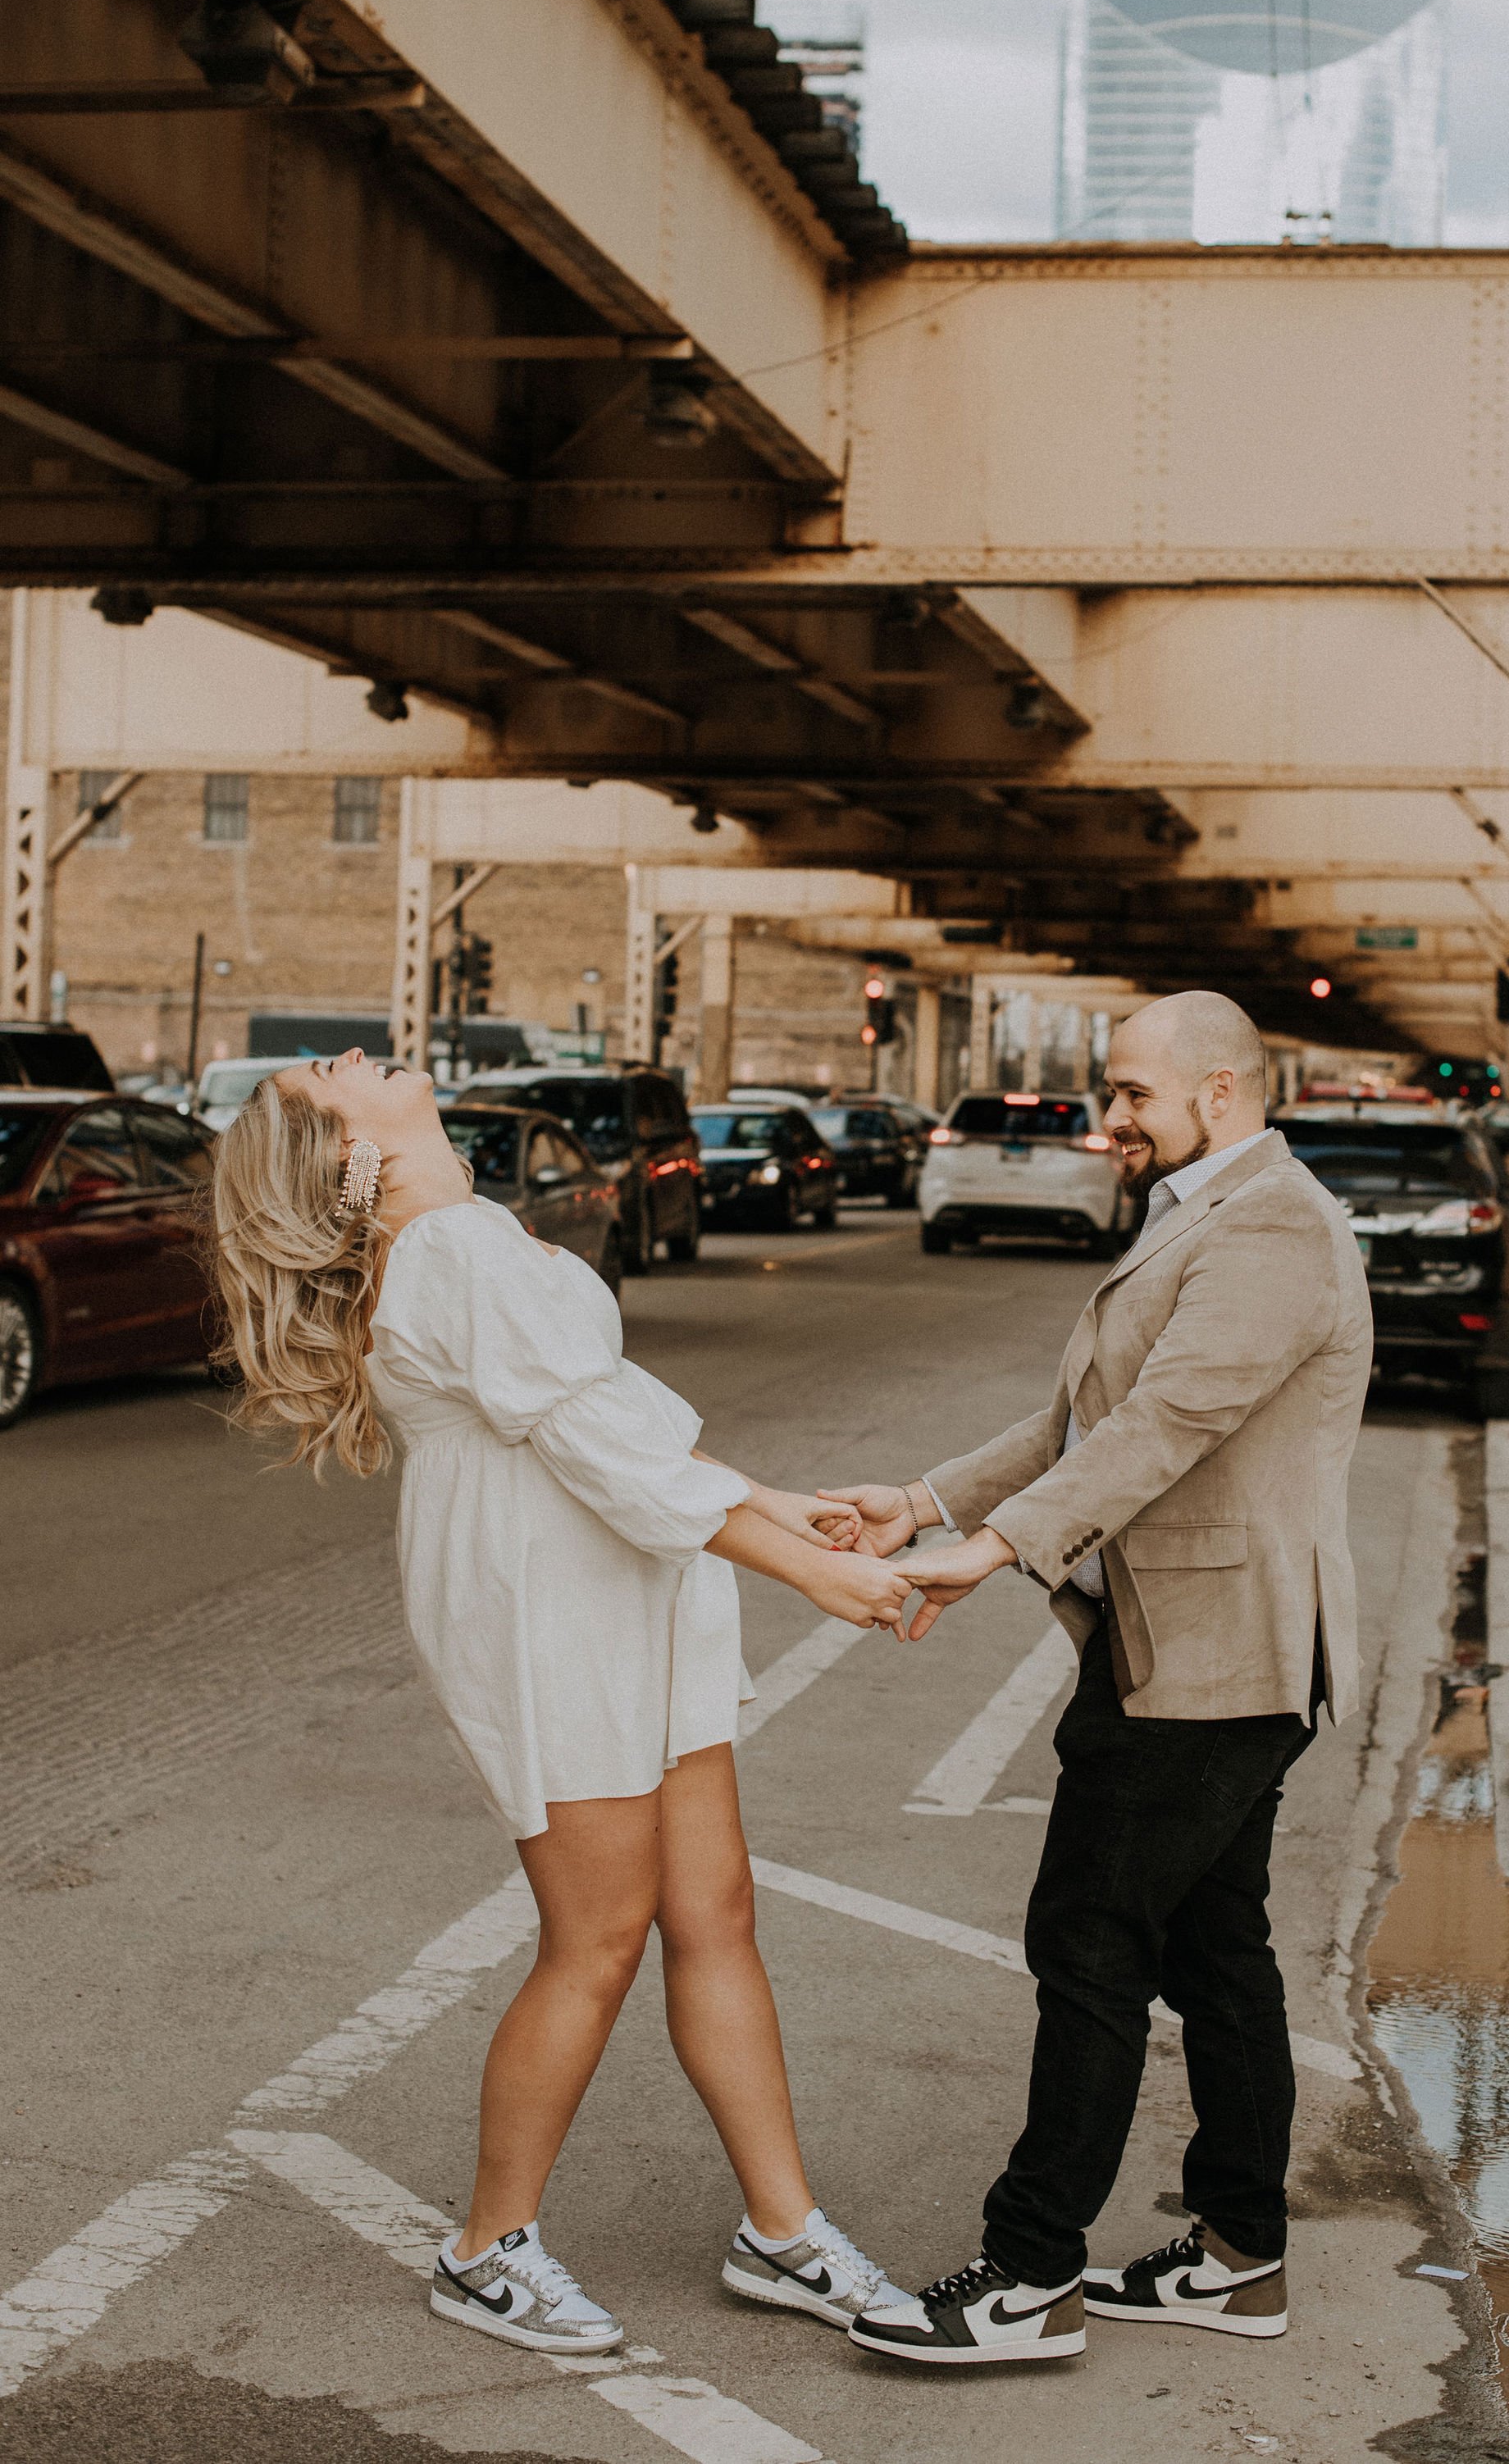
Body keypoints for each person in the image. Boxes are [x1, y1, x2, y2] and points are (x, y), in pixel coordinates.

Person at [209, 1049, 915, 2358]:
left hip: (621, 1579)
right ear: (343, 1150)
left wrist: (774, 1502)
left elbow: (622, 1419)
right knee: (597, 1936)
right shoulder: (446, 1253)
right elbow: (598, 1447)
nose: (355, 1050)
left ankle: (783, 2231)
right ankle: (485, 2250)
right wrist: (814, 1571)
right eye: (330, 1071)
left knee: (716, 1911)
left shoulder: (467, 1238)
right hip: (544, 1608)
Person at [832, 991, 1373, 2369]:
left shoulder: (1272, 1226)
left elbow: (1173, 1420)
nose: (1110, 1115)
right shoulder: (1206, 1207)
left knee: (1090, 1942)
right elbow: (1087, 1412)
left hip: (1209, 1658)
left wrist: (996, 1545)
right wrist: (926, 1499)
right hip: (1198, 1647)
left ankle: (1027, 2278)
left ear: (1226, 1090)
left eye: (1133, 1092)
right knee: (1214, 1948)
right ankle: (1243, 2257)